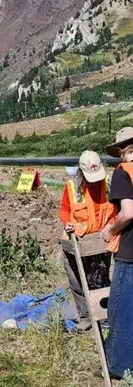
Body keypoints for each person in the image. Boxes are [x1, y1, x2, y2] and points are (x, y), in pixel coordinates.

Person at [58, 150, 114, 331]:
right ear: (81, 172)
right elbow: (65, 209)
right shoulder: (72, 187)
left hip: (99, 240)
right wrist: (67, 223)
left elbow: (116, 210)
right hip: (75, 240)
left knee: (100, 279)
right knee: (76, 281)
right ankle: (85, 317)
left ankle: (105, 317)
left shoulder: (107, 184)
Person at [100, 127, 133, 380]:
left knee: (121, 309)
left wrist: (111, 229)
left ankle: (117, 365)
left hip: (130, 252)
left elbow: (128, 213)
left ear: (122, 151)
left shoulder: (124, 173)